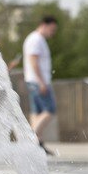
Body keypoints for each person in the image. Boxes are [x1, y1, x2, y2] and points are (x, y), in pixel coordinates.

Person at [23, 16, 58, 155]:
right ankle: (30, 138)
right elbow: (33, 60)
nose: (53, 32)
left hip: (34, 81)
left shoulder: (36, 39)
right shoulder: (36, 39)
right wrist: (42, 82)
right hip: (38, 81)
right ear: (44, 25)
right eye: (52, 29)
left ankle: (37, 144)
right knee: (49, 110)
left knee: (37, 112)